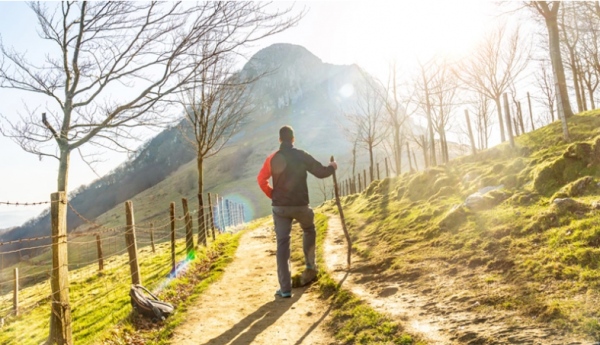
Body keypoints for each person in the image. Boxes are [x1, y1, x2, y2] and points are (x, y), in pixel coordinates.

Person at [257, 125, 337, 298]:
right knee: (309, 229)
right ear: (293, 139)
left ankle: (285, 289)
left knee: (282, 244)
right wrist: (332, 167)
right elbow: (321, 172)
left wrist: (273, 194)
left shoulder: (272, 158)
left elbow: (261, 179)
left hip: (281, 208)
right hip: (301, 205)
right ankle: (310, 267)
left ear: (279, 140)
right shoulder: (302, 155)